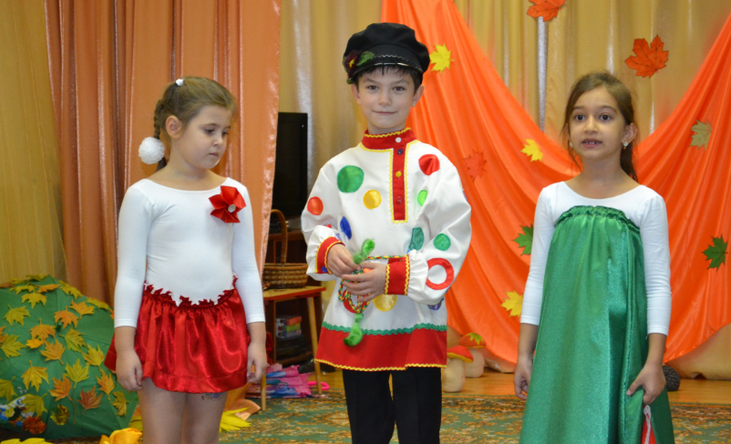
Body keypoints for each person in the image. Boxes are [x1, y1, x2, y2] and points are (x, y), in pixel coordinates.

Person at [301, 23, 472, 444]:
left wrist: (394, 276)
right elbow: (317, 223)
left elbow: (451, 237)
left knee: (420, 429)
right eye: (373, 87)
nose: (384, 99)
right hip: (358, 314)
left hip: (415, 315)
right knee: (367, 428)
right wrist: (330, 248)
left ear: (417, 94)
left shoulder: (434, 166)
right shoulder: (337, 168)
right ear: (356, 93)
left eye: (398, 88)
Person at [513, 72, 675, 443]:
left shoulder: (646, 203)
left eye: (604, 117)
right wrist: (524, 352)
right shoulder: (552, 199)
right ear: (569, 131)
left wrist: (654, 361)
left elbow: (658, 286)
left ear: (628, 132)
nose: (590, 126)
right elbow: (537, 279)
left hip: (621, 348)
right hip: (562, 346)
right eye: (579, 116)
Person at [105, 77, 268, 444]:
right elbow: (130, 275)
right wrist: (126, 348)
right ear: (174, 127)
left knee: (202, 436)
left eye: (225, 132)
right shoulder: (144, 195)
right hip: (161, 331)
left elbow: (245, 270)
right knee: (161, 438)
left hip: (216, 330)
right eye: (209, 130)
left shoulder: (234, 192)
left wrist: (256, 340)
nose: (219, 141)